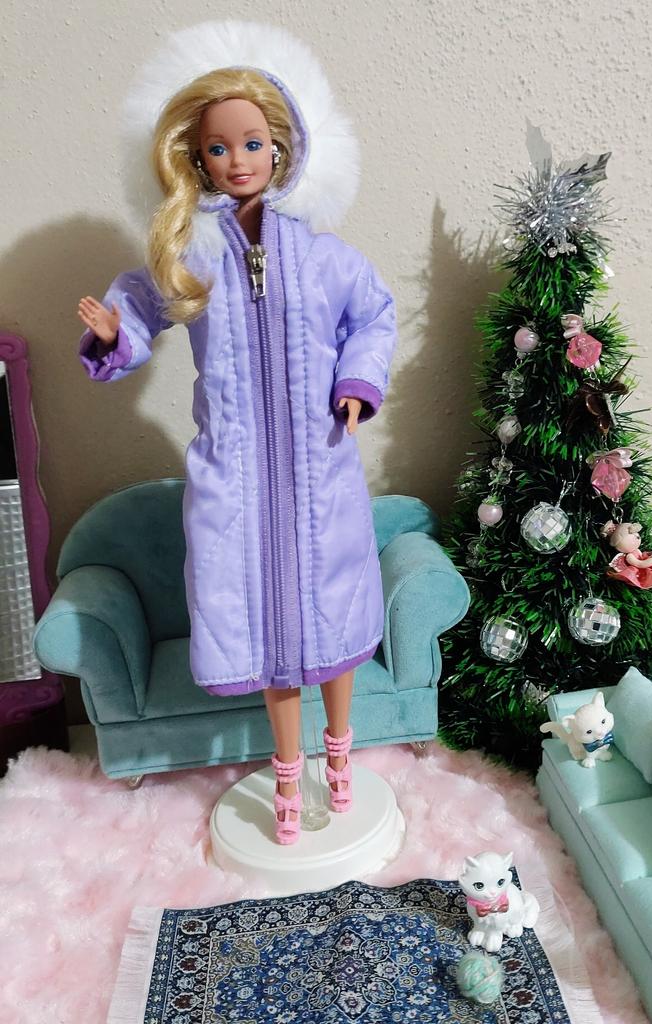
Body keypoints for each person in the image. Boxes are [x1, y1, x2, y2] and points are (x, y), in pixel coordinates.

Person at [76, 22, 397, 845]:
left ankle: (340, 757)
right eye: (219, 148)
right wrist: (116, 334)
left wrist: (355, 384)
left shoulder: (323, 257)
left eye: (253, 143)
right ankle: (288, 778)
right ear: (196, 159)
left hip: (323, 473)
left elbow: (374, 314)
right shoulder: (193, 254)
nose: (238, 160)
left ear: (283, 149)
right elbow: (143, 304)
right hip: (234, 480)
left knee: (334, 634)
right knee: (266, 636)